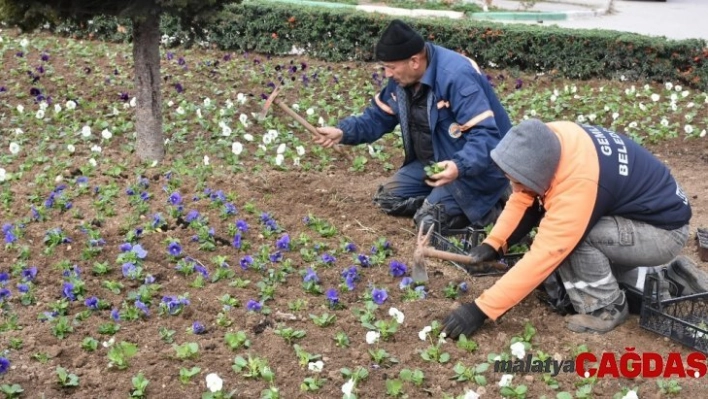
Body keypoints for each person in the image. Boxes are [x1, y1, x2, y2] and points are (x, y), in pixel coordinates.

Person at [442, 119, 708, 337]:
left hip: (662, 234)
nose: (514, 187)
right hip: (643, 221)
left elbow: (545, 255)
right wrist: (495, 242)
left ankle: (605, 306)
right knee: (586, 251)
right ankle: (671, 280)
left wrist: (480, 310)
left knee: (577, 242)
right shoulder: (552, 140)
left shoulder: (578, 184)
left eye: (518, 181)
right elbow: (524, 196)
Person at [315, 19, 512, 233]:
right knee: (388, 199)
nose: (387, 74)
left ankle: (493, 205)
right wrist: (342, 132)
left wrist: (458, 166)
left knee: (429, 223)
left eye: (390, 67)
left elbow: (487, 137)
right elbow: (378, 118)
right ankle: (442, 202)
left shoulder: (455, 76)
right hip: (435, 162)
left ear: (415, 61)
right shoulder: (403, 78)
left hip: (476, 171)